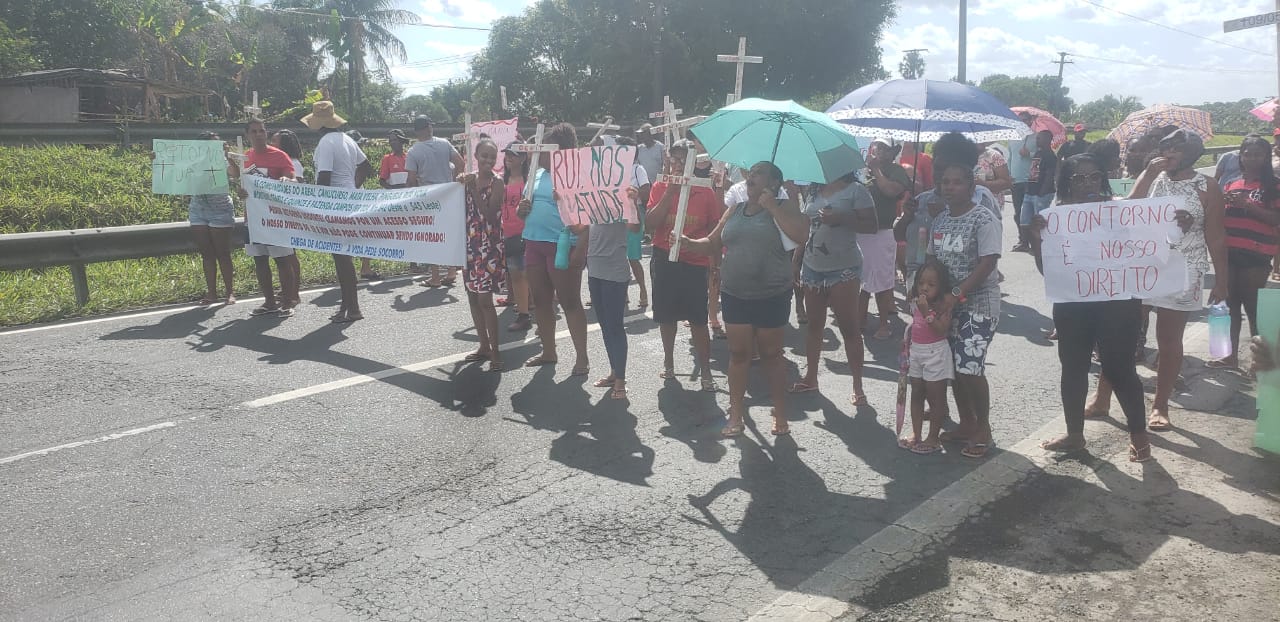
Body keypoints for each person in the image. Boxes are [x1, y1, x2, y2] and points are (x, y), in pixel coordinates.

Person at [1091, 128, 1229, 431]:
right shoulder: (1154, 180)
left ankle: (1161, 406)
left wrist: (1221, 280)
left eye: (1177, 149)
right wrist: (1148, 174)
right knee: (1121, 335)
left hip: (1182, 271)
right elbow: (1130, 207)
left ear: (1193, 153)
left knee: (1168, 340)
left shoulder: (1207, 187)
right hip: (1143, 266)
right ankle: (1102, 397)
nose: (1168, 153)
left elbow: (1216, 238)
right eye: (1165, 148)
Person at [1033, 153, 1151, 462]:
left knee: (1119, 369)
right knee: (1073, 368)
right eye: (1079, 178)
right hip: (1073, 305)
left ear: (1103, 178)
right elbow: (1049, 271)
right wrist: (1037, 237)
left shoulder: (1121, 212)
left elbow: (1151, 242)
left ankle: (1140, 438)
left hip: (1117, 305)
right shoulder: (1056, 218)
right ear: (1066, 184)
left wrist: (1177, 225)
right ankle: (1075, 436)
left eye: (1094, 176)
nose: (1088, 184)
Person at [681, 162, 809, 437]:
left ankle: (780, 414)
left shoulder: (785, 208)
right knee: (738, 355)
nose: (751, 176)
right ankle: (736, 415)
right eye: (751, 172)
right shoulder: (736, 208)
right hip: (735, 293)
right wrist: (688, 243)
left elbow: (800, 236)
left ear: (773, 183)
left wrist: (773, 207)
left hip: (771, 294)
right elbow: (714, 241)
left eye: (759, 173)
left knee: (771, 356)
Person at [929, 138, 1002, 459]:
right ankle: (966, 423)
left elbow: (988, 263)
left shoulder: (984, 218)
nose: (950, 187)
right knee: (953, 368)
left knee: (970, 367)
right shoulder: (939, 221)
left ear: (972, 186)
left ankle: (983, 427)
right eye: (945, 182)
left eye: (958, 182)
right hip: (946, 305)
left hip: (978, 305)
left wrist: (958, 294)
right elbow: (933, 262)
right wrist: (927, 295)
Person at [790, 170, 877, 406]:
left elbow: (871, 225)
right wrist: (796, 259)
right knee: (814, 326)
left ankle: (857, 386)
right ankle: (810, 377)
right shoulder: (813, 189)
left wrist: (841, 218)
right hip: (812, 265)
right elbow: (807, 230)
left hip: (844, 267)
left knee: (849, 327)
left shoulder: (857, 191)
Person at [645, 140, 720, 390]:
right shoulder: (661, 185)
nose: (676, 164)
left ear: (692, 162)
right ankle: (668, 363)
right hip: (664, 258)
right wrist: (670, 192)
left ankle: (706, 370)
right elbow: (651, 223)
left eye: (681, 160)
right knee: (666, 316)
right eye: (673, 159)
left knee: (698, 319)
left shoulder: (704, 190)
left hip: (694, 261)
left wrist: (712, 262)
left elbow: (713, 232)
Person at [517, 122, 589, 374]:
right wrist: (520, 210)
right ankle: (548, 352)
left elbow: (587, 215)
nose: (538, 153)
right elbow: (524, 207)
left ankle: (582, 358)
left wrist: (581, 249)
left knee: (570, 302)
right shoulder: (535, 173)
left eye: (544, 148)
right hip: (534, 243)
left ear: (560, 152)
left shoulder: (575, 176)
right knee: (541, 300)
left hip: (562, 245)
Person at [1209, 135, 1280, 369]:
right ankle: (1229, 355)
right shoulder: (1232, 183)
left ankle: (1259, 361)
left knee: (1253, 307)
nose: (1251, 158)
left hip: (1256, 253)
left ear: (1266, 157)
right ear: (1240, 156)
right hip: (1230, 250)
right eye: (1247, 153)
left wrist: (1247, 205)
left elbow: (1276, 218)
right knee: (1230, 304)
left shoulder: (1274, 185)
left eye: (1257, 153)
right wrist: (1224, 203)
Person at [304, 100, 372, 323]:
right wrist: (352, 188)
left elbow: (323, 177)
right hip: (348, 202)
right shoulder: (347, 139)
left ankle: (353, 308)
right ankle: (346, 305)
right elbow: (365, 166)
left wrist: (318, 206)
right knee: (343, 257)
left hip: (335, 205)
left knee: (342, 258)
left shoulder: (325, 143)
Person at [240, 119, 302, 317]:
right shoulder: (245, 157)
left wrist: (287, 180)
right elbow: (239, 181)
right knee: (260, 260)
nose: (259, 134)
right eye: (254, 131)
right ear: (248, 134)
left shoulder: (280, 155)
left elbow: (293, 179)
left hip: (275, 218)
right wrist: (241, 192)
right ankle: (269, 302)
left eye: (262, 130)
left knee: (282, 260)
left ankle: (288, 301)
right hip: (253, 217)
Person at [457, 138, 507, 371]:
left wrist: (473, 189)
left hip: (488, 249)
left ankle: (496, 352)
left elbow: (489, 214)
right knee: (473, 298)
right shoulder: (468, 179)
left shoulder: (497, 184)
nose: (488, 160)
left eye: (492, 157)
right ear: (475, 156)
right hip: (469, 247)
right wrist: (459, 183)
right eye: (484, 156)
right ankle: (483, 345)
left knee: (486, 300)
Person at [901, 259, 955, 454]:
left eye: (931, 285)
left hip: (936, 353)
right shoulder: (915, 300)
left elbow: (941, 330)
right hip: (917, 351)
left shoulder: (943, 305)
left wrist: (926, 312)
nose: (925, 288)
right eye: (921, 283)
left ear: (941, 287)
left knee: (935, 397)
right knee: (916, 393)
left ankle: (933, 437)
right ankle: (916, 433)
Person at [406, 115, 465, 288]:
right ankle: (452, 271)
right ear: (430, 127)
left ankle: (435, 276)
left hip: (428, 198)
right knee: (448, 234)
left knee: (432, 236)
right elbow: (460, 164)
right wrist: (453, 184)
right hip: (447, 195)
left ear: (417, 131)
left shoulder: (413, 151)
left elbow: (410, 179)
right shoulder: (444, 144)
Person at [861, 138, 911, 340]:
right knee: (860, 281)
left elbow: (891, 190)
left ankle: (883, 324)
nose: (879, 152)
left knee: (882, 280)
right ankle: (860, 320)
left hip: (883, 232)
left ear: (894, 151)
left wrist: (877, 171)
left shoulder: (896, 171)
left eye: (884, 148)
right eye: (877, 147)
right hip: (861, 231)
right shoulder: (865, 170)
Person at [181, 131, 238, 306]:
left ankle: (230, 292)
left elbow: (235, 173)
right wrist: (157, 159)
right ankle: (211, 293)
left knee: (223, 253)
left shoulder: (222, 159)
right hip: (198, 209)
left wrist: (228, 156)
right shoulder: (193, 161)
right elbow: (176, 173)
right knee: (206, 254)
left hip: (220, 209)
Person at [583, 197, 633, 400]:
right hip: (594, 269)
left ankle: (621, 379)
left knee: (614, 326)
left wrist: (630, 202)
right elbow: (579, 228)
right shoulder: (590, 198)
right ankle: (614, 372)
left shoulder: (622, 197)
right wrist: (563, 204)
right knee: (605, 326)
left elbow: (636, 228)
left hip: (614, 272)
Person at [614, 136, 651, 311]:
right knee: (619, 257)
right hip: (615, 217)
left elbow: (646, 190)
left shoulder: (638, 169)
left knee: (633, 257)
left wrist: (634, 194)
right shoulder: (612, 170)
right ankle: (624, 293)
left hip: (632, 215)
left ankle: (643, 290)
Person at [500, 140, 532, 331]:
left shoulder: (529, 181)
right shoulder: (500, 180)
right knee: (515, 275)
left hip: (526, 234)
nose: (509, 158)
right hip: (507, 234)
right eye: (507, 154)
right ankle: (524, 312)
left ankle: (526, 312)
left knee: (525, 274)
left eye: (513, 154)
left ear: (523, 157)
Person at [1021, 130, 1058, 256]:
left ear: (1048, 140)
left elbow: (1049, 175)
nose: (1037, 141)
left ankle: (1043, 247)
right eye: (1037, 138)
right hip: (1030, 192)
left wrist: (1041, 192)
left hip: (1041, 194)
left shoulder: (1050, 155)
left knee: (1040, 223)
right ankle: (1031, 245)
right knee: (1025, 221)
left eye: (1039, 138)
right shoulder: (1038, 152)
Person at [1009, 111, 1039, 251]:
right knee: (1017, 213)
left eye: (1025, 119)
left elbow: (1041, 157)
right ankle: (1023, 241)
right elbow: (1010, 158)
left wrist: (1030, 154)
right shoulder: (1012, 138)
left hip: (1030, 180)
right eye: (1019, 120)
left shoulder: (1036, 138)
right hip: (1015, 180)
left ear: (1030, 121)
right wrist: (1009, 175)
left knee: (1030, 213)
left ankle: (1034, 242)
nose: (1022, 122)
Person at [634, 124, 665, 199]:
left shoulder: (660, 147)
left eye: (643, 133)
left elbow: (665, 165)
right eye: (640, 134)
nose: (641, 136)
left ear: (650, 134)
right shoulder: (639, 148)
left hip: (657, 184)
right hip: (644, 185)